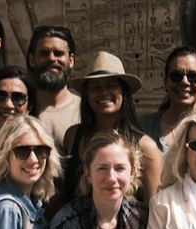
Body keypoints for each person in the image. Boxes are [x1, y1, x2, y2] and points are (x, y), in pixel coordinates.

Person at [61, 51, 162, 206]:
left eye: (111, 85)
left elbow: (153, 209)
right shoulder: (73, 136)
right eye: (96, 87)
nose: (103, 92)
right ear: (87, 94)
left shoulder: (146, 147)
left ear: (123, 91)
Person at [142, 46, 196, 150]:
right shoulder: (142, 128)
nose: (184, 82)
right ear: (165, 82)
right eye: (176, 76)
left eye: (193, 76)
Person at [26, 25, 81, 147]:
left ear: (71, 60)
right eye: (44, 53)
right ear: (32, 60)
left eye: (58, 53)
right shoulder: (20, 109)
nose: (51, 58)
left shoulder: (85, 111)